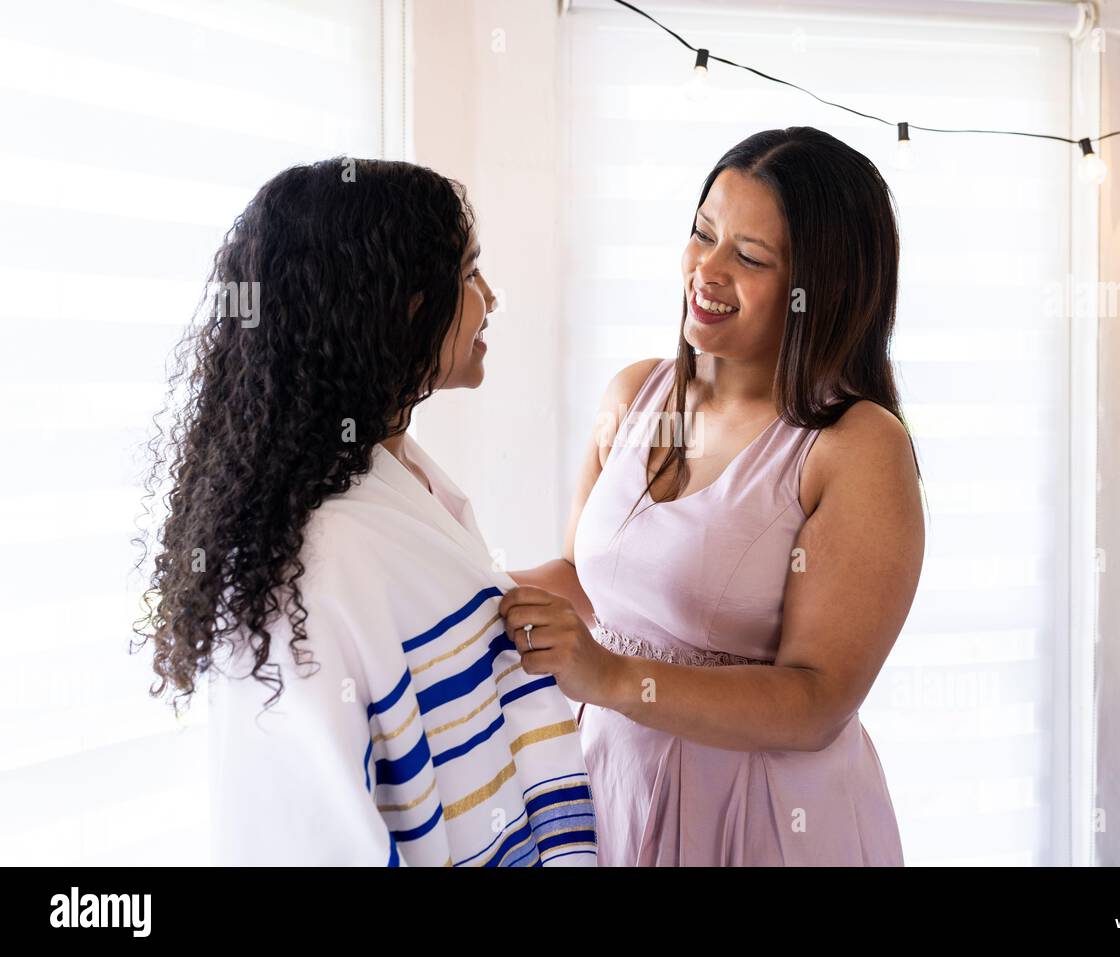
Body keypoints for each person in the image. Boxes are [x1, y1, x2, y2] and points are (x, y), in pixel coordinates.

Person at [134, 158, 596, 867]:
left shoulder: (391, 470)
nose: (491, 299)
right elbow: (313, 838)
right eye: (470, 274)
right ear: (401, 304)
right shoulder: (318, 553)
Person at [504, 127, 924, 866]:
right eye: (703, 233)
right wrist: (444, 583)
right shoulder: (636, 392)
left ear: (819, 290)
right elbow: (583, 579)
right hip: (614, 787)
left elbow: (817, 702)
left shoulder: (856, 447)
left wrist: (609, 676)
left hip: (760, 818)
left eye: (750, 257)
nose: (708, 268)